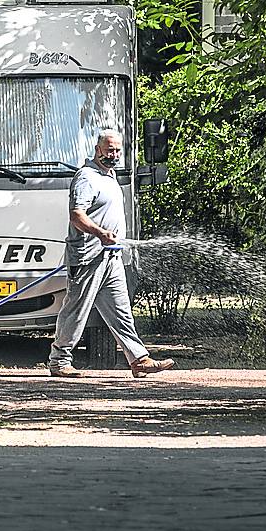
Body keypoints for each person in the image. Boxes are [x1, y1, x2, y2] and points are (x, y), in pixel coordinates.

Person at [48, 128, 176, 379]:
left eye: (117, 150)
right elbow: (77, 215)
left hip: (111, 257)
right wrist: (99, 233)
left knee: (121, 310)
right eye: (109, 150)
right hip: (87, 257)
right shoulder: (86, 177)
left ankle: (139, 359)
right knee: (76, 309)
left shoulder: (110, 176)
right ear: (98, 150)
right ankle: (59, 361)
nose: (114, 154)